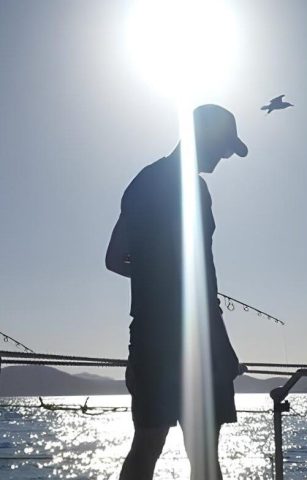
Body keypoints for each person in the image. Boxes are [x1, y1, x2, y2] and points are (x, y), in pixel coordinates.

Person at [106, 104, 248, 480]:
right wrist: (222, 343)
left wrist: (155, 275)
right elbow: (201, 275)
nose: (224, 156)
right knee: (203, 454)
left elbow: (114, 258)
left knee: (147, 445)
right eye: (224, 146)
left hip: (150, 333)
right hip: (196, 337)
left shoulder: (143, 181)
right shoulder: (196, 189)